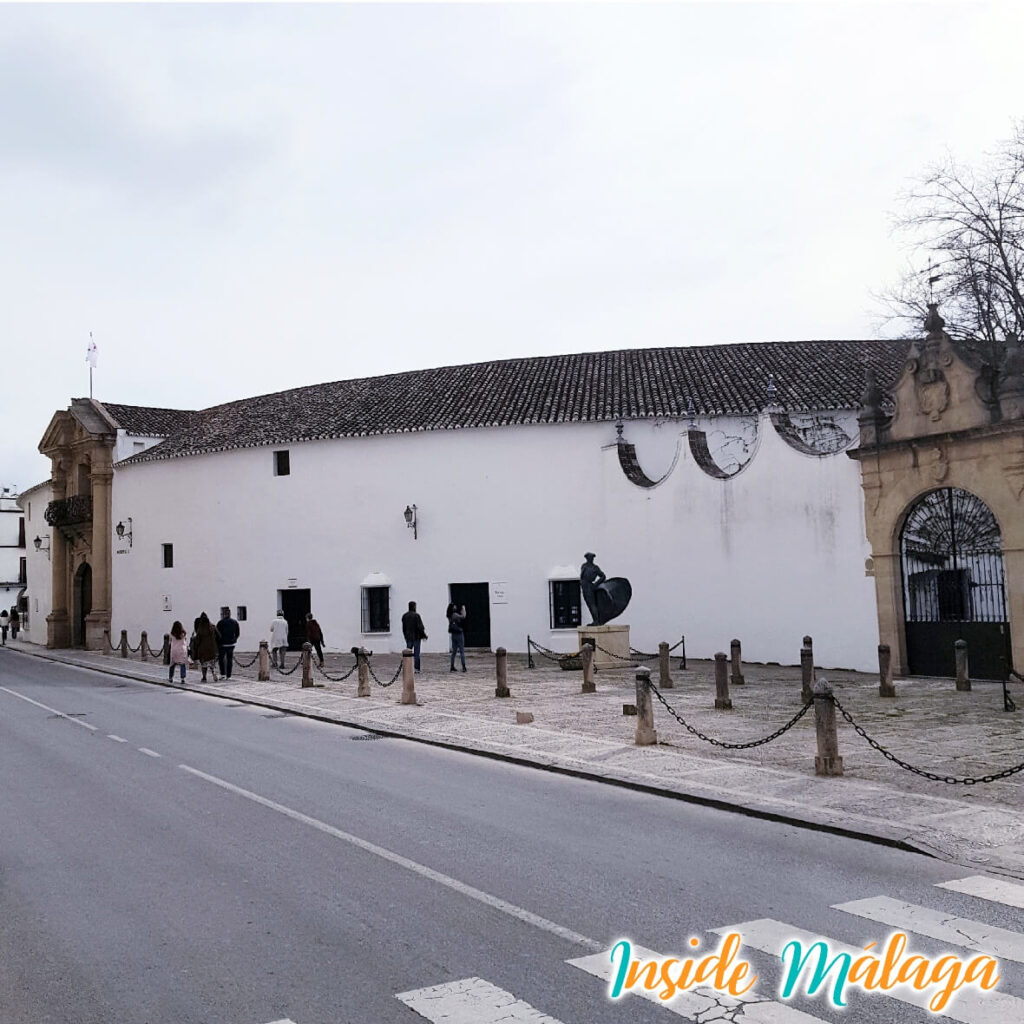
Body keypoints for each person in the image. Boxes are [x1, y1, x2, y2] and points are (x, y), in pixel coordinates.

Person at [580, 552, 607, 625]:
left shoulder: (595, 568)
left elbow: (603, 576)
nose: (590, 559)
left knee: (592, 604)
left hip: (589, 586)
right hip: (584, 586)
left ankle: (596, 620)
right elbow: (581, 577)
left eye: (591, 558)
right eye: (588, 557)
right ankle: (595, 620)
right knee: (589, 604)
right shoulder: (584, 566)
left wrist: (596, 584)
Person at [401, 601, 427, 672]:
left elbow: (404, 628)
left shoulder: (405, 616)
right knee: (416, 654)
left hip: (408, 637)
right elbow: (420, 627)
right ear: (414, 607)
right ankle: (416, 668)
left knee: (408, 654)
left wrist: (405, 636)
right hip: (416, 637)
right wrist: (424, 635)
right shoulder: (416, 616)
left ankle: (407, 667)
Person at [193, 611, 219, 682]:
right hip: (212, 649)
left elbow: (197, 640)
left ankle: (204, 677)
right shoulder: (212, 627)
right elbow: (219, 636)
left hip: (203, 650)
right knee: (212, 663)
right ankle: (214, 673)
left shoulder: (200, 629)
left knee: (204, 665)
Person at [215, 606, 240, 679]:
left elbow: (217, 634)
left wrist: (218, 642)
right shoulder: (235, 622)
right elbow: (237, 633)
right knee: (229, 660)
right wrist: (234, 639)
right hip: (231, 644)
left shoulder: (220, 623)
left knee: (221, 660)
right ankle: (229, 675)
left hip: (222, 644)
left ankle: (223, 674)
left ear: (223, 614)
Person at [449, 604, 467, 673]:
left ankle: (452, 666)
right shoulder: (455, 615)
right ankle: (464, 666)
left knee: (454, 652)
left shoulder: (449, 615)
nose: (456, 607)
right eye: (454, 606)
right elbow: (463, 617)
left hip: (453, 634)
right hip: (459, 634)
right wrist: (463, 609)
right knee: (462, 651)